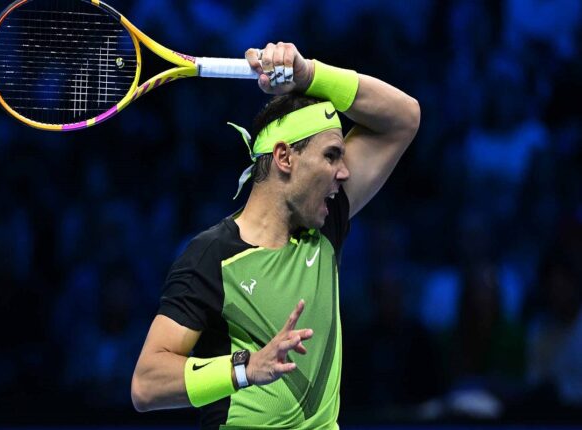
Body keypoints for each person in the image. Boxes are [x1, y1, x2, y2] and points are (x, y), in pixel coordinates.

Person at [131, 42, 420, 429]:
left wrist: (309, 74)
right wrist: (245, 368)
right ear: (285, 158)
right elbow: (146, 384)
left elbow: (404, 116)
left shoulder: (326, 222)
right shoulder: (212, 255)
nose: (344, 172)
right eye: (332, 155)